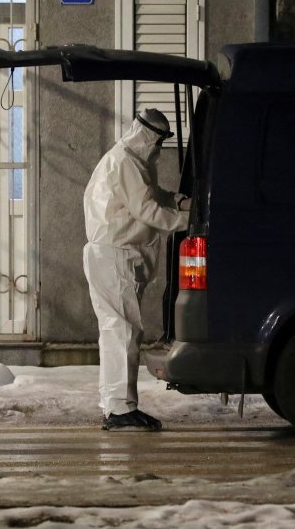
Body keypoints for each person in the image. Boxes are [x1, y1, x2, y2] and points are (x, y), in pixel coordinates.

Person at [82, 108, 190, 431]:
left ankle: (115, 405)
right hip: (116, 256)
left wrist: (180, 200)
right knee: (123, 331)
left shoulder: (128, 161)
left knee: (117, 331)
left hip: (112, 255)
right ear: (148, 138)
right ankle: (120, 410)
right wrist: (190, 221)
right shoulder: (126, 164)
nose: (158, 151)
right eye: (158, 144)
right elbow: (149, 211)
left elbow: (151, 197)